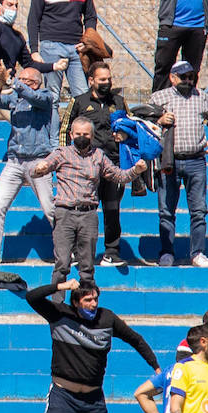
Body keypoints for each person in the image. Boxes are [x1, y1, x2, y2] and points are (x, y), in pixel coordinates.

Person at [26, 280, 159, 413]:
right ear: (75, 302)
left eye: (95, 299)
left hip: (93, 400)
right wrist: (61, 286)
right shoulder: (59, 314)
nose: (93, 304)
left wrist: (155, 366)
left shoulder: (107, 318)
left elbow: (136, 340)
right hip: (63, 396)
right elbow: (32, 297)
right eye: (88, 300)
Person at [30, 118, 146, 285]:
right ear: (71, 135)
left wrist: (136, 170)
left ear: (92, 136)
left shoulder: (98, 155)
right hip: (65, 213)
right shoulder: (62, 153)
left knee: (87, 266)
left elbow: (118, 175)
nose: (81, 137)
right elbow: (38, 170)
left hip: (89, 215)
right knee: (62, 264)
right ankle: (57, 303)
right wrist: (39, 168)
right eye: (78, 134)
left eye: (85, 134)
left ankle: (86, 305)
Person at [0, 65, 57, 264]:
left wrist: (11, 81)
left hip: (38, 162)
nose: (20, 82)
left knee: (50, 209)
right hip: (15, 161)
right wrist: (0, 84)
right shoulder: (16, 98)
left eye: (24, 79)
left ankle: (67, 250)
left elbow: (33, 97)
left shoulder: (45, 96)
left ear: (34, 82)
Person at [150, 60, 208, 267]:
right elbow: (144, 123)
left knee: (199, 210)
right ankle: (166, 252)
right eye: (184, 77)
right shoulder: (159, 98)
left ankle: (197, 253)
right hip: (168, 161)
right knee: (166, 210)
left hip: (196, 160)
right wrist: (160, 120)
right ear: (172, 78)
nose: (188, 80)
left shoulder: (202, 97)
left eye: (191, 77)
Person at [64, 62, 129, 265]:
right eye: (102, 79)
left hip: (113, 165)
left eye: (109, 79)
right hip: (85, 167)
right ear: (91, 80)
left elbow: (130, 128)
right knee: (81, 210)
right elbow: (64, 130)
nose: (107, 83)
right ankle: (77, 252)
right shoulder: (79, 102)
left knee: (112, 210)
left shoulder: (119, 102)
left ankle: (111, 252)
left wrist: (125, 135)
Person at [27, 0, 98, 99]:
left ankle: (78, 124)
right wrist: (34, 50)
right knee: (52, 96)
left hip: (76, 48)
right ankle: (52, 124)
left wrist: (87, 40)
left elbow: (90, 16)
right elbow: (33, 20)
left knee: (82, 96)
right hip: (51, 47)